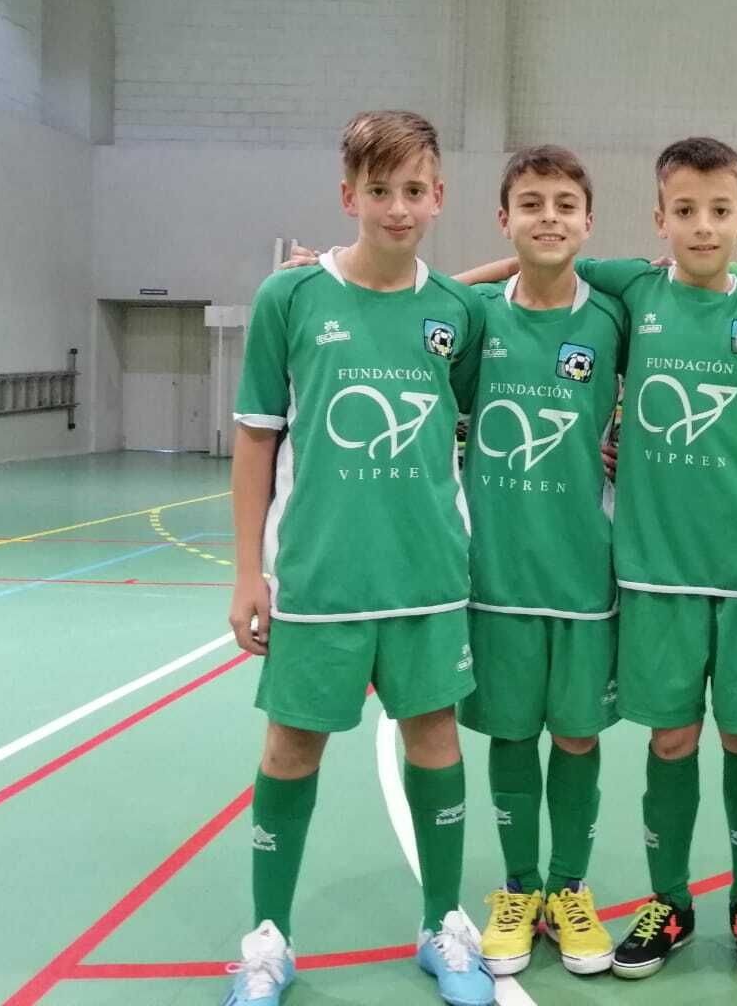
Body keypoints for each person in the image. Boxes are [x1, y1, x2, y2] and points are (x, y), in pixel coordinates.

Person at [456, 137, 737, 987]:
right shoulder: (631, 291)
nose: (704, 226)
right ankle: (668, 898)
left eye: (720, 211)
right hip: (647, 570)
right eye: (686, 211)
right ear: (658, 221)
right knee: (670, 738)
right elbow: (537, 255)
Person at [225, 110, 494, 1006]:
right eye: (379, 191)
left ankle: (441, 927)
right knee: (291, 745)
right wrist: (244, 573)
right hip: (317, 577)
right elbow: (257, 441)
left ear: (438, 196)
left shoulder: (454, 313)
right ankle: (269, 940)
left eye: (414, 190)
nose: (397, 207)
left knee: (434, 738)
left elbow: (471, 376)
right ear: (348, 195)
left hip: (426, 574)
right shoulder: (289, 300)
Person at [458, 146, 628, 980]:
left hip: (584, 573)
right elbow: (414, 301)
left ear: (588, 223)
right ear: (504, 218)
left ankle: (570, 886)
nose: (549, 217)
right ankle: (518, 887)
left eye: (565, 204)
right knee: (512, 733)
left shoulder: (613, 314)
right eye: (530, 204)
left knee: (578, 736)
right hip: (497, 575)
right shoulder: (478, 315)